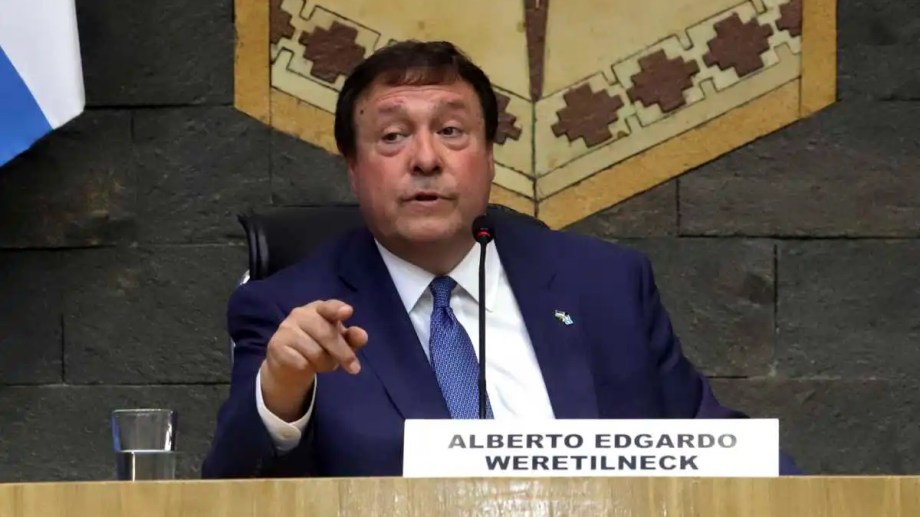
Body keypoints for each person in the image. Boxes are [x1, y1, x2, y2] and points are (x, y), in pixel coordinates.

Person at [201, 40, 799, 478]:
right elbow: (230, 488)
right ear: (353, 167)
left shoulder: (606, 286)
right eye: (392, 136)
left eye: (452, 131)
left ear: (489, 158)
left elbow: (717, 447)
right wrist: (281, 391)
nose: (426, 159)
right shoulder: (286, 310)